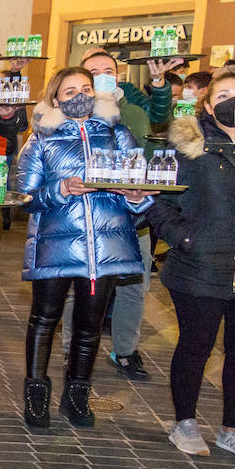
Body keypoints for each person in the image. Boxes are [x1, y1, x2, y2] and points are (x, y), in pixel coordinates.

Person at [19, 66, 154, 431]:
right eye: (69, 91)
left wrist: (136, 196)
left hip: (106, 245)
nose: (79, 95)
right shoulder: (41, 139)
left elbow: (138, 192)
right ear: (55, 98)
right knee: (44, 320)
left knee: (90, 325)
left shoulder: (117, 133)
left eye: (86, 88)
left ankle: (77, 394)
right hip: (54, 245)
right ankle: (36, 394)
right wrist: (60, 190)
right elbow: (24, 197)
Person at [148, 72, 235, 460]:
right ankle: (185, 422)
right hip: (198, 268)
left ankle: (234, 426)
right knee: (196, 346)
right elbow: (159, 202)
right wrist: (184, 238)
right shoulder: (189, 148)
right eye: (225, 95)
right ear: (209, 105)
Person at [79, 50, 157, 381]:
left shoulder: (135, 113)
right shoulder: (71, 112)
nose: (101, 77)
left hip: (132, 215)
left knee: (133, 285)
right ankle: (73, 347)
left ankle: (125, 351)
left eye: (107, 71)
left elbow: (150, 156)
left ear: (118, 75)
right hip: (87, 214)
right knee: (80, 284)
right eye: (92, 72)